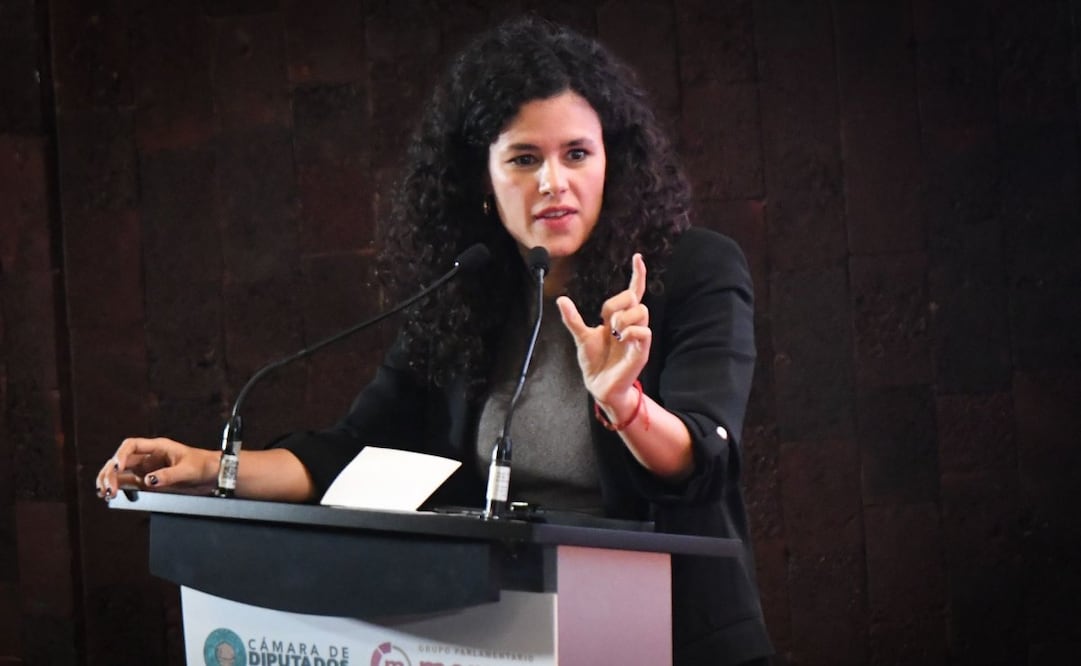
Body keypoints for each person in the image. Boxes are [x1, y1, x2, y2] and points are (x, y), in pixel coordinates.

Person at [96, 16, 773, 666]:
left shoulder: (690, 272)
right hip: (501, 631)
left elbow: (705, 459)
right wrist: (215, 467)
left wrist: (624, 403)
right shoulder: (468, 292)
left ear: (611, 163)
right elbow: (350, 452)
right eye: (523, 158)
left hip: (670, 635)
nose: (551, 183)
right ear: (482, 179)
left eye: (576, 154)